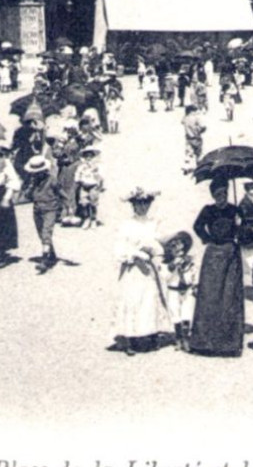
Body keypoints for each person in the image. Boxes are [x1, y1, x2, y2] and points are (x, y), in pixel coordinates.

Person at [188, 178, 246, 357]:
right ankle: (204, 343)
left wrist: (240, 224)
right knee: (210, 295)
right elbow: (197, 226)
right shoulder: (208, 210)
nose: (222, 197)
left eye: (224, 194)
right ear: (213, 195)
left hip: (231, 254)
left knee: (229, 296)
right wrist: (207, 238)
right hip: (213, 255)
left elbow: (246, 230)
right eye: (218, 194)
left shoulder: (235, 210)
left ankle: (228, 344)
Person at [115, 188, 172, 355]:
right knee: (133, 300)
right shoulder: (127, 225)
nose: (143, 207)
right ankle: (131, 339)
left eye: (146, 203)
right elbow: (120, 246)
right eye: (139, 204)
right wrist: (133, 253)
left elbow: (160, 243)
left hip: (149, 267)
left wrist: (155, 251)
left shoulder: (153, 223)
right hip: (133, 268)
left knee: (151, 299)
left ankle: (152, 334)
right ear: (133, 205)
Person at [160, 231, 199, 352]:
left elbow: (195, 273)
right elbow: (164, 277)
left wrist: (195, 285)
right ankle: (178, 338)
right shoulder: (165, 264)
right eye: (173, 246)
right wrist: (172, 266)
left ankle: (186, 338)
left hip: (187, 290)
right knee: (175, 314)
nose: (177, 248)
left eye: (180, 244)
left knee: (186, 313)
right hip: (173, 290)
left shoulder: (190, 260)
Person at [24, 154, 62, 270]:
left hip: (50, 209)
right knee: (41, 233)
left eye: (38, 172)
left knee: (46, 232)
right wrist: (30, 187)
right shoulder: (33, 181)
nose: (35, 174)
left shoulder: (52, 180)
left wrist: (67, 208)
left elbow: (61, 193)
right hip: (37, 208)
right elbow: (27, 196)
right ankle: (52, 255)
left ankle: (45, 260)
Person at [75, 147, 104, 228]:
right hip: (84, 185)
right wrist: (79, 180)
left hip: (93, 185)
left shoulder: (96, 166)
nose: (88, 158)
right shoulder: (81, 167)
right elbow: (77, 175)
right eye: (86, 156)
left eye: (90, 156)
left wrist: (96, 174)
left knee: (93, 203)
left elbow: (101, 177)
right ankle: (86, 218)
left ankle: (93, 219)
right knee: (84, 203)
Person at [182, 103, 206, 174]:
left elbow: (182, 122)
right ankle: (199, 167)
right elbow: (203, 127)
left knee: (188, 153)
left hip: (188, 138)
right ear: (192, 111)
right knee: (199, 153)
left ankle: (186, 167)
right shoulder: (196, 118)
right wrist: (201, 130)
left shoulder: (185, 118)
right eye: (195, 111)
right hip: (197, 138)